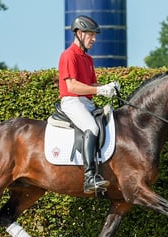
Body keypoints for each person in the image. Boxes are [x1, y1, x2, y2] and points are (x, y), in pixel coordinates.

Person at [58, 15, 119, 194]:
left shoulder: (88, 59)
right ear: (79, 33)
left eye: (94, 35)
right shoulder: (68, 56)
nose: (94, 39)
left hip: (86, 102)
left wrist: (108, 87)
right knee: (92, 127)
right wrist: (99, 91)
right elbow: (72, 86)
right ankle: (89, 177)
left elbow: (91, 86)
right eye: (90, 35)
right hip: (72, 101)